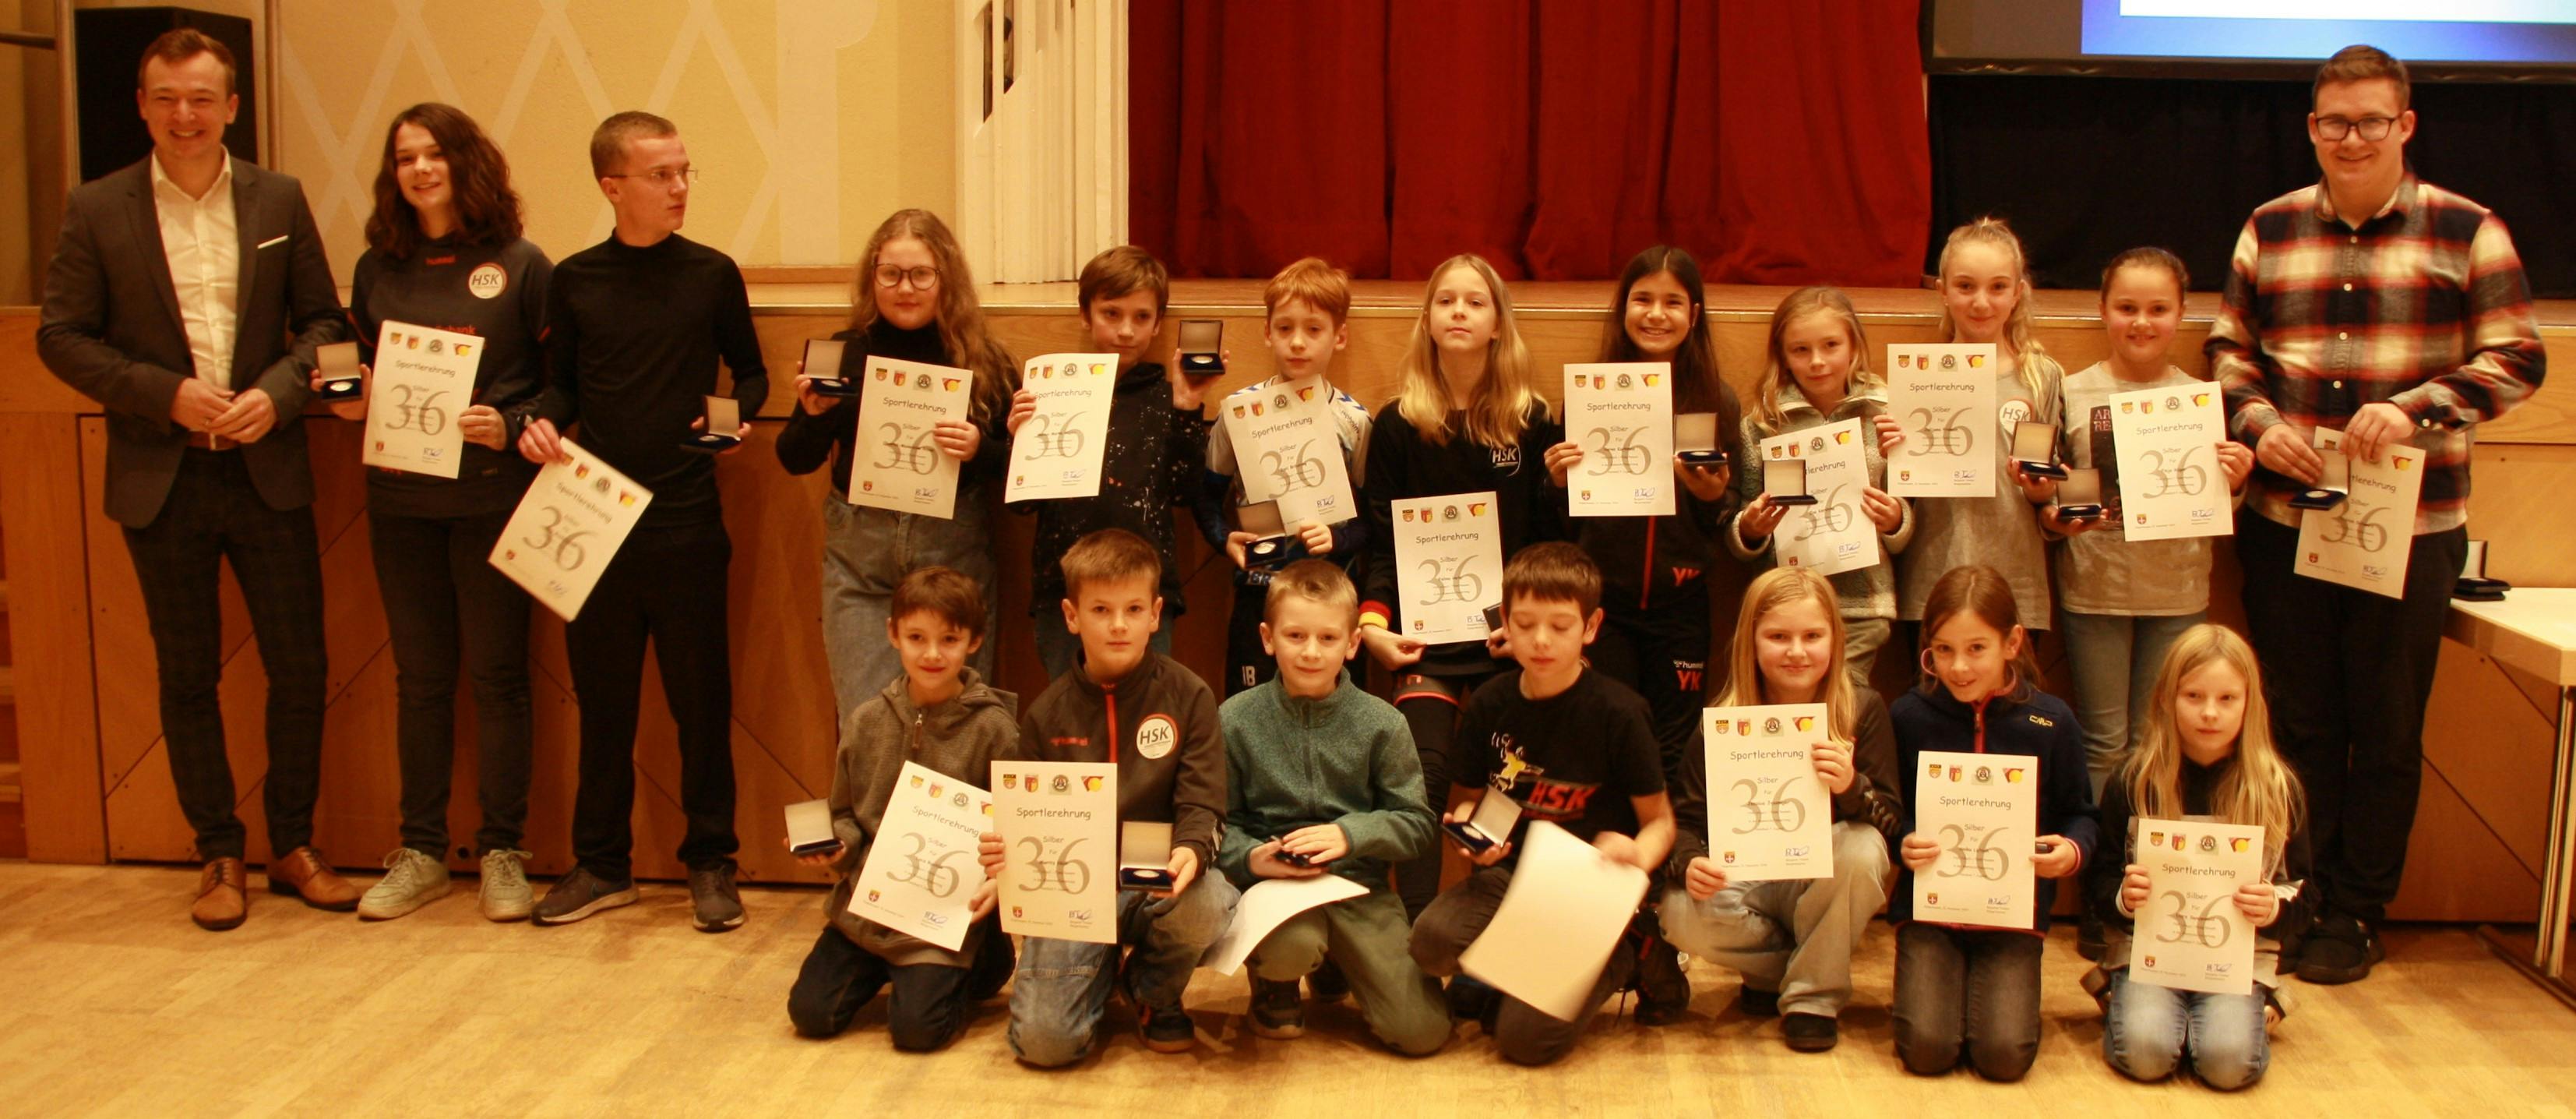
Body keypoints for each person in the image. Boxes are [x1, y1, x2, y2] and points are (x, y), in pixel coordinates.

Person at [2208, 44, 2545, 985]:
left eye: (2368, 121)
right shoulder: (2267, 229)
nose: (2348, 138)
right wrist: (2259, 418)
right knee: (2300, 721)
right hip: (2286, 516)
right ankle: (2300, 894)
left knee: (2388, 726)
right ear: (2311, 128)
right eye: (2331, 122)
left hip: (2415, 524)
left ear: (2404, 125)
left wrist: (2416, 407)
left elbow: (2519, 358)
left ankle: (2358, 908)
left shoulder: (2467, 229)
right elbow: (2230, 349)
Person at [36, 29, 354, 929]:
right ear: (142, 104)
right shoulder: (96, 208)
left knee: (301, 666)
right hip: (160, 474)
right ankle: (218, 850)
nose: (185, 115)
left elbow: (325, 325)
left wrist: (280, 394)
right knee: (186, 674)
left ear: (232, 107)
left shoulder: (278, 198)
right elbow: (60, 336)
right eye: (167, 98)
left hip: (267, 470)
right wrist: (163, 394)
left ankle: (293, 843)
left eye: (202, 98)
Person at [516, 111, 767, 931]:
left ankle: (711, 862)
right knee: (605, 703)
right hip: (595, 520)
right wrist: (538, 423)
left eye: (685, 171)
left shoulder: (712, 273)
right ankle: (601, 864)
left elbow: (754, 376)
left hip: (688, 519)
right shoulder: (577, 279)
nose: (680, 187)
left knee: (701, 703)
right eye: (662, 175)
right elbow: (563, 389)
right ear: (612, 186)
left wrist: (726, 426)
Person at [320, 103, 551, 923]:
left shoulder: (521, 264)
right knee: (420, 680)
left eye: (434, 155)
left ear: (465, 162)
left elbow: (559, 384)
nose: (420, 169)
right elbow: (348, 365)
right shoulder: (378, 267)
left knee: (497, 679)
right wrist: (348, 393)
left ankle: (502, 853)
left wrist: (512, 421)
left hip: (491, 498)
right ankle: (419, 850)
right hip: (400, 500)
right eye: (405, 157)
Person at [2047, 248, 2256, 955]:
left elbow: (2222, 504)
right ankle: (2109, 902)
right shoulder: (2071, 392)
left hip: (2176, 589)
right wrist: (2063, 515)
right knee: (2107, 744)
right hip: (2093, 587)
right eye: (2126, 307)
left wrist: (2234, 477)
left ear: (2181, 316)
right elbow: (2051, 501)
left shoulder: (2202, 398)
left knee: (2157, 745)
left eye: (2157, 309)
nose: (2140, 321)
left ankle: (2162, 899)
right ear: (2102, 311)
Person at [1408, 542, 1675, 1067]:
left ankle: (1633, 955)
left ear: (1591, 627)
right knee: (1430, 944)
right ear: (1504, 620)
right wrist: (1471, 840)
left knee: (1524, 1044)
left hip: (1587, 897)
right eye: (1525, 623)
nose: (1541, 640)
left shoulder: (1619, 713)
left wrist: (1638, 856)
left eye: (1560, 625)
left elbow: (1660, 823)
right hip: (1509, 880)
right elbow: (1464, 805)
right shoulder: (1489, 703)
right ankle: (1507, 969)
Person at [1356, 254, 1566, 920]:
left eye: (1474, 302)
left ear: (1498, 322)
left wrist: (1530, 627)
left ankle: (1523, 925)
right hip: (1426, 644)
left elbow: (1548, 544)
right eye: (1444, 300)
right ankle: (1419, 928)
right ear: (1426, 319)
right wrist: (1371, 628)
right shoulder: (1395, 424)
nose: (1458, 312)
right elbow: (1381, 542)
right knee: (1422, 775)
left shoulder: (1531, 421)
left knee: (1526, 779)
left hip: (1514, 638)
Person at [984, 528, 1237, 1066]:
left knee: (1212, 901)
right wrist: (1003, 858)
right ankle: (1091, 971)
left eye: (1132, 608)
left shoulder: (1189, 696)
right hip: (1073, 892)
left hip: (1156, 882)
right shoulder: (1044, 715)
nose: (1118, 624)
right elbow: (1020, 825)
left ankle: (1150, 991)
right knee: (1046, 1046)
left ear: (1155, 614)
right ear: (1072, 617)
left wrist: (1190, 850)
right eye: (1100, 609)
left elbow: (1203, 803)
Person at [776, 209, 1017, 718]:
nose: (904, 288)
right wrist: (816, 416)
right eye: (890, 274)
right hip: (860, 562)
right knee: (865, 724)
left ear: (945, 279)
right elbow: (793, 458)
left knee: (959, 724)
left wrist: (980, 449)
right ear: (873, 278)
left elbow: (1018, 471)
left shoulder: (983, 361)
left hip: (952, 555)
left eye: (920, 275)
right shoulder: (843, 354)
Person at [1660, 567, 1902, 1053]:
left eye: (1812, 635)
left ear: (1835, 639)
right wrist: (1690, 863)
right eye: (1778, 636)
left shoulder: (1862, 709)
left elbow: (1892, 830)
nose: (1796, 651)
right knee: (1675, 912)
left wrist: (1852, 786)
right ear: (1751, 641)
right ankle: (1792, 968)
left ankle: (1813, 998)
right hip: (1749, 878)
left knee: (1862, 849)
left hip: (1822, 881)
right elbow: (1685, 824)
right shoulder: (1722, 723)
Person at [1218, 560, 1447, 1055]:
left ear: (1352, 643)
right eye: (1295, 635)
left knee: (1423, 1033)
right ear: (1267, 637)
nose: (1310, 652)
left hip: (1358, 887)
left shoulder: (1382, 723)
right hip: (1275, 887)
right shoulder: (1234, 719)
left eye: (1327, 638)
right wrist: (1252, 858)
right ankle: (1275, 983)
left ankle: (1339, 963)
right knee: (1290, 949)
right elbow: (1219, 824)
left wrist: (1351, 835)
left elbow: (1416, 825)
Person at [786, 567, 1020, 1051]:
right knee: (810, 1014)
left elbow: (1017, 828)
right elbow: (845, 814)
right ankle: (885, 968)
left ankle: (984, 957)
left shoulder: (996, 730)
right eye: (917, 637)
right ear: (893, 634)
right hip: (866, 911)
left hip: (942, 915)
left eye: (949, 639)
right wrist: (834, 846)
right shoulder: (866, 720)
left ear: (974, 641)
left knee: (916, 1034)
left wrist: (1002, 878)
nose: (932, 654)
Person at [1888, 564, 2098, 1082]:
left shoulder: (2050, 722)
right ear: (1927, 649)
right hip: (1930, 915)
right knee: (1928, 1052)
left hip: (2011, 917)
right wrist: (1901, 840)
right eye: (1942, 650)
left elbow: (2082, 815)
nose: (1958, 667)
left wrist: (2071, 851)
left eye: (1975, 648)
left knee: (2003, 1058)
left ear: (2012, 643)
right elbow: (1888, 809)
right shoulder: (1908, 716)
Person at [2088, 624, 2310, 1091]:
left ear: (2251, 703)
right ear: (2167, 698)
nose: (2210, 713)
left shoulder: (2276, 788)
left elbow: (2307, 894)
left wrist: (2274, 908)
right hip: (2147, 955)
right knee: (2146, 1056)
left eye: (2227, 699)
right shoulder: (2134, 779)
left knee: (2227, 1065)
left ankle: (2264, 1000)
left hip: (2239, 962)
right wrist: (2124, 899)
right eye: (2193, 696)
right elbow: (2099, 881)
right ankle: (2119, 992)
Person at [1543, 245, 1740, 771]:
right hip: (1605, 602)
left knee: (1674, 744)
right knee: (1604, 734)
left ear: (1693, 315)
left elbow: (1731, 513)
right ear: (1622, 308)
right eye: (1642, 300)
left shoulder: (1716, 400)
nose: (1656, 314)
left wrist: (1711, 497)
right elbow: (1565, 524)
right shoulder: (1587, 395)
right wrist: (1558, 483)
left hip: (1681, 605)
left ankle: (1669, 851)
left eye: (1672, 302)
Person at [1010, 245, 1212, 678]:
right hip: (1064, 591)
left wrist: (1188, 411)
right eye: (1111, 314)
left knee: (1145, 714)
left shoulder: (1164, 396)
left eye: (1141, 317)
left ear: (1158, 323)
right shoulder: (1049, 392)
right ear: (1086, 315)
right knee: (1072, 718)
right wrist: (1018, 441)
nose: (1126, 330)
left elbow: (1182, 492)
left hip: (1144, 593)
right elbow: (1022, 505)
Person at [1883, 219, 2064, 652]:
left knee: (2009, 715)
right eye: (1966, 287)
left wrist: (2041, 490)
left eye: (1998, 287)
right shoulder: (1915, 378)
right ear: (1942, 289)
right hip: (1932, 580)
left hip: (2014, 581)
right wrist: (1891, 455)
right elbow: (1899, 503)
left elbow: (2049, 496)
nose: (1982, 302)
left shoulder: (2040, 377)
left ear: (2018, 292)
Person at [1199, 256, 1373, 697]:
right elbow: (1205, 496)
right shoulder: (1238, 413)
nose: (1298, 343)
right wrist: (1225, 540)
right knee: (1249, 717)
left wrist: (1339, 539)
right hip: (1260, 592)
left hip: (1331, 595)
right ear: (1267, 332)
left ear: (1340, 336)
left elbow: (1374, 518)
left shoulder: (1354, 422)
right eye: (1285, 328)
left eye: (1314, 330)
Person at [1728, 285, 1912, 680]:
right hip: (1785, 610)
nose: (1817, 362)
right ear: (1783, 355)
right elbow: (1741, 524)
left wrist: (1895, 518)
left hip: (1862, 605)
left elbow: (1908, 515)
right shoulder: (1762, 425)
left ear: (1854, 347)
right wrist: (1751, 528)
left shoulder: (1888, 415)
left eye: (1831, 345)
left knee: (1842, 717)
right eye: (1801, 350)